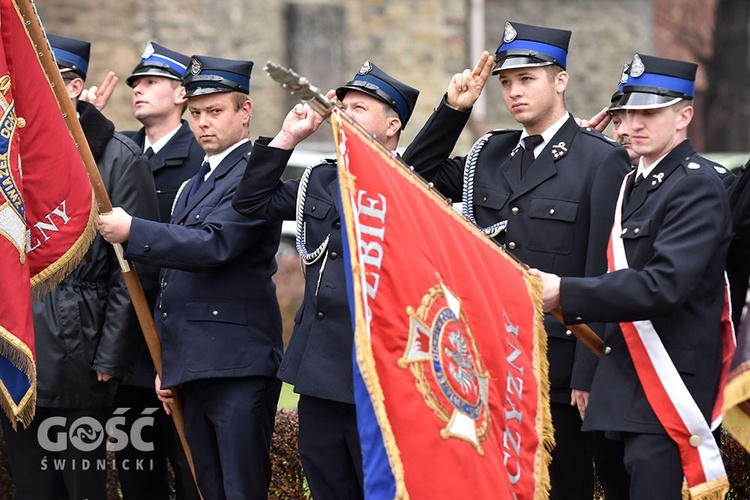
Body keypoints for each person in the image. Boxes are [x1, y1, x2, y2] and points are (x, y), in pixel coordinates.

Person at [401, 22, 632, 499]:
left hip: (560, 368)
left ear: (560, 80)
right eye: (506, 82)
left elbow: (603, 268)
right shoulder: (491, 152)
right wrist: (453, 111)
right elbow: (411, 176)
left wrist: (588, 375)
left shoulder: (601, 160)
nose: (514, 92)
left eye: (528, 79)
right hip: (486, 362)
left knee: (563, 487)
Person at [530, 54, 732, 499]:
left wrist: (564, 292)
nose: (631, 124)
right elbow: (611, 275)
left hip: (668, 389)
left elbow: (664, 284)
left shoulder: (694, 184)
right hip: (621, 383)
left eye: (648, 112)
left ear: (684, 116)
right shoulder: (633, 181)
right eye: (625, 113)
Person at [98, 54, 283, 500]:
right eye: (196, 113)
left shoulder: (253, 172)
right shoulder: (195, 182)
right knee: (206, 489)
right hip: (196, 364)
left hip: (238, 364)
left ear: (245, 111)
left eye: (216, 112)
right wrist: (173, 365)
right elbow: (174, 284)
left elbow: (214, 246)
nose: (203, 124)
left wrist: (134, 230)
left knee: (239, 488)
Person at [232, 61, 419, 500]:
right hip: (318, 367)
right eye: (344, 106)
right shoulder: (321, 177)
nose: (345, 114)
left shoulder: (412, 182)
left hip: (378, 370)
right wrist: (289, 136)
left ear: (393, 125)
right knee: (327, 482)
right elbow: (250, 203)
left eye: (360, 107)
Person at [0, 34, 159, 500]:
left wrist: (110, 356)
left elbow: (133, 268)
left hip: (80, 350)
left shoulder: (116, 158)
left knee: (80, 485)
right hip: (17, 343)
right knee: (30, 483)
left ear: (72, 87)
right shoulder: (12, 154)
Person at [113, 41, 204, 500]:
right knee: (137, 474)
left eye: (151, 83)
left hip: (176, 335)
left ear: (181, 94)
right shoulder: (119, 151)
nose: (138, 91)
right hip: (126, 340)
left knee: (191, 470)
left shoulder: (200, 156)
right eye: (135, 84)